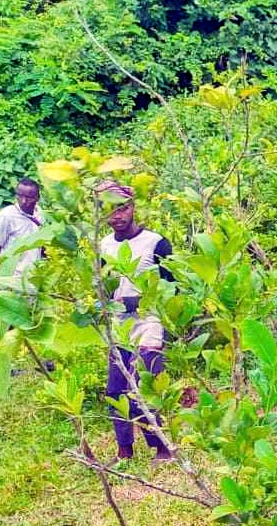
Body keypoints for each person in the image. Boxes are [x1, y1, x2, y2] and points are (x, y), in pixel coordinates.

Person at [95, 182, 176, 461]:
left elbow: (173, 287)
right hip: (118, 326)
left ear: (133, 207)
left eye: (122, 208)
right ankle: (124, 451)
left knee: (145, 386)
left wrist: (138, 302)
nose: (117, 216)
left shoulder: (155, 243)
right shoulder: (103, 245)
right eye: (110, 210)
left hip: (149, 323)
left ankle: (162, 447)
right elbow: (103, 287)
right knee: (116, 389)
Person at [0, 177, 45, 288]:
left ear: (37, 198)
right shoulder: (7, 215)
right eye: (20, 196)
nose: (24, 201)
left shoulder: (40, 214)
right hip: (10, 277)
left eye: (29, 197)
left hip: (31, 276)